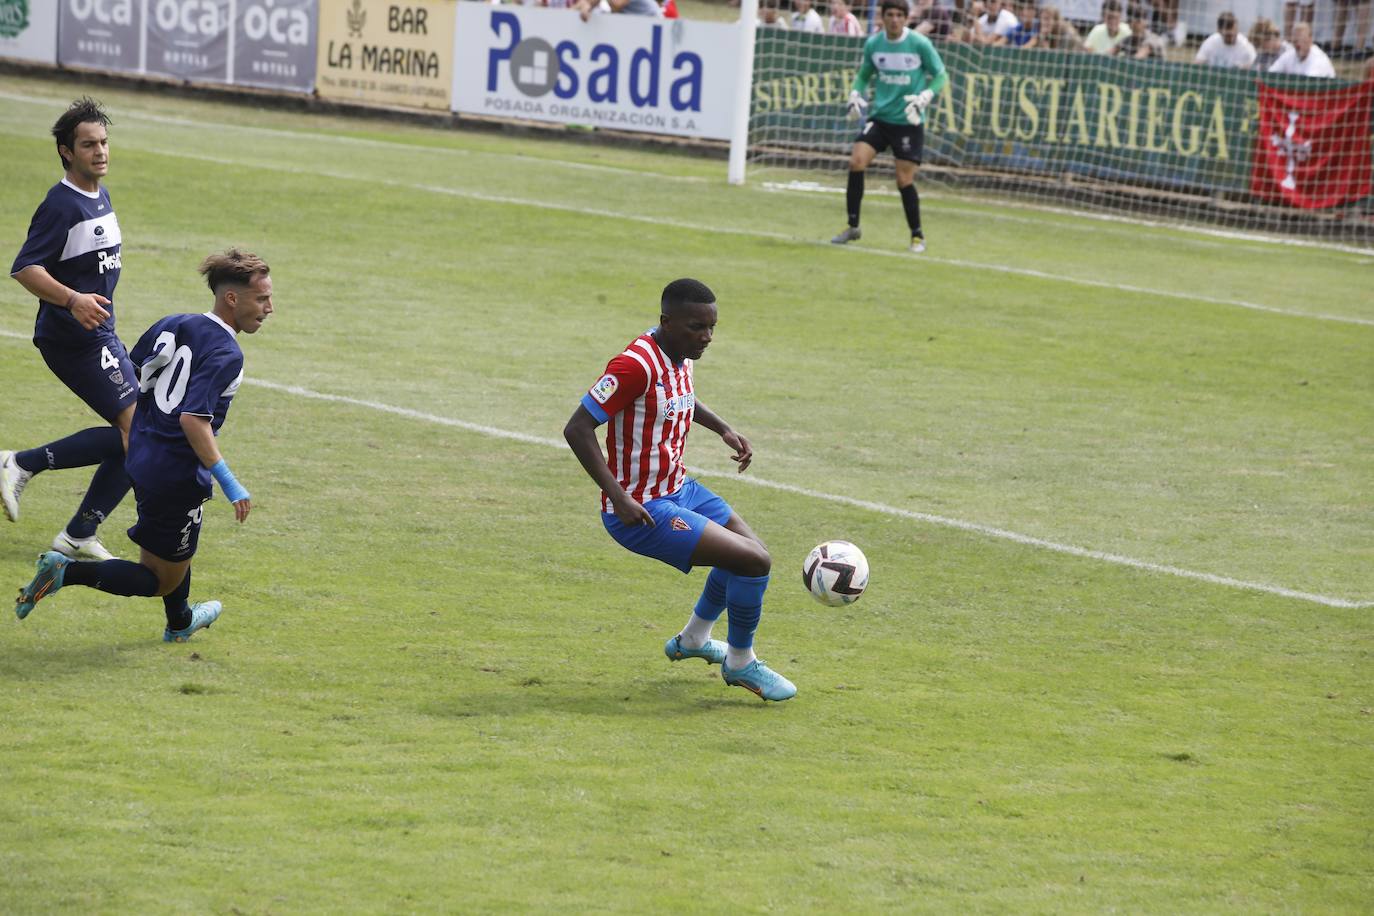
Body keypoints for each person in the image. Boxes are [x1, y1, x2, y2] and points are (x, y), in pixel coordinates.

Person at [15, 250, 274, 642]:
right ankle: (65, 572)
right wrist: (229, 480)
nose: (269, 308)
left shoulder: (174, 323)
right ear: (232, 299)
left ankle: (180, 622)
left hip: (142, 454)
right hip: (177, 473)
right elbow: (193, 419)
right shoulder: (227, 353)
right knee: (158, 579)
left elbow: (132, 371)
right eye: (262, 299)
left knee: (176, 550)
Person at [562, 279, 795, 702]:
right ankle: (741, 664)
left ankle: (693, 640)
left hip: (679, 488)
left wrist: (723, 428)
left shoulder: (681, 352)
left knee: (749, 550)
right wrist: (618, 496)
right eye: (696, 328)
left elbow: (681, 396)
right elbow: (576, 428)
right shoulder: (633, 366)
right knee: (753, 562)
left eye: (712, 328)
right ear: (666, 322)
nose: (706, 337)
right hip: (642, 510)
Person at [2, 98, 136, 563]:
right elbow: (25, 269)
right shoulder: (61, 204)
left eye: (103, 142)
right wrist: (73, 299)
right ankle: (20, 463)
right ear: (66, 151)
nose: (100, 152)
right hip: (72, 338)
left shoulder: (99, 193)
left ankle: (80, 532)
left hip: (100, 334)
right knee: (141, 432)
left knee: (138, 436)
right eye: (88, 145)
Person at [832, 0, 949, 253]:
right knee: (856, 161)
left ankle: (917, 236)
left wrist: (926, 95)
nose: (894, 19)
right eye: (890, 15)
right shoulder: (874, 43)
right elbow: (864, 74)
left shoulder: (919, 43)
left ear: (906, 18)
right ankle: (852, 226)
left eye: (899, 15)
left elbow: (941, 75)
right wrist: (855, 93)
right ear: (882, 18)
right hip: (880, 118)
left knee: (903, 180)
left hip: (908, 121)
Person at [1268, 22, 1336, 75]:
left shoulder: (1318, 59)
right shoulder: (1290, 54)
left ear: (1310, 40)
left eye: (1302, 40)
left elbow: (1308, 83)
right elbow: (1271, 72)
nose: (1298, 45)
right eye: (1295, 41)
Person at [575, 0, 659, 21]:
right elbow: (588, 2)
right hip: (636, 23)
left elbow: (617, 5)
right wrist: (586, 7)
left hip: (652, 21)